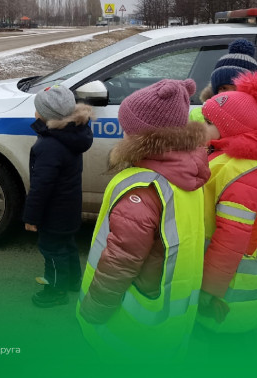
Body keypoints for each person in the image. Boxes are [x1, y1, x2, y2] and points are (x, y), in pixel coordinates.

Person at [77, 79, 211, 359]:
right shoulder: (187, 173)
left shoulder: (142, 188)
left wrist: (94, 309)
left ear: (143, 137)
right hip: (168, 315)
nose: (123, 133)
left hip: (127, 323)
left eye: (128, 129)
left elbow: (120, 260)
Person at [197, 71, 257, 334]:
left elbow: (232, 238)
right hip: (227, 280)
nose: (201, 126)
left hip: (232, 290)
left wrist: (209, 288)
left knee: (224, 353)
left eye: (207, 122)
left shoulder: (240, 171)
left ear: (229, 128)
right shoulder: (227, 158)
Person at [193, 38, 257, 243]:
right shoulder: (201, 114)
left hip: (252, 210)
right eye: (222, 88)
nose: (228, 94)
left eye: (235, 87)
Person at [23, 85, 93, 308]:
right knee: (67, 245)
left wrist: (31, 217)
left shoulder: (50, 145)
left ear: (43, 116)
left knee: (52, 252)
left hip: (53, 212)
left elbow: (41, 186)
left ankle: (55, 290)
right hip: (69, 208)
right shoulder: (73, 135)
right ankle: (72, 280)